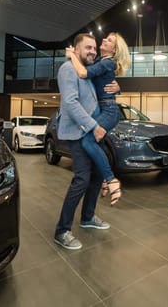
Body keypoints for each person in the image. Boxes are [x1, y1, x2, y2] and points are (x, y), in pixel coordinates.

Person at [54, 33, 120, 250]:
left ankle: (88, 217)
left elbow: (102, 86)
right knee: (82, 179)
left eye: (94, 47)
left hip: (92, 130)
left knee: (97, 175)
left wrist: (118, 87)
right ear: (76, 49)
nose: (93, 51)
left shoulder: (88, 70)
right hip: (80, 132)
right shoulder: (67, 69)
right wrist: (94, 126)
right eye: (88, 48)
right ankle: (62, 230)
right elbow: (71, 104)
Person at [65, 32, 131, 206]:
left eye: (109, 41)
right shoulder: (102, 62)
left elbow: (82, 73)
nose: (104, 40)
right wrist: (118, 88)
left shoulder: (108, 62)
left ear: (114, 49)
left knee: (87, 143)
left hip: (108, 110)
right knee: (96, 145)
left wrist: (71, 54)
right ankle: (104, 178)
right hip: (104, 109)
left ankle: (111, 179)